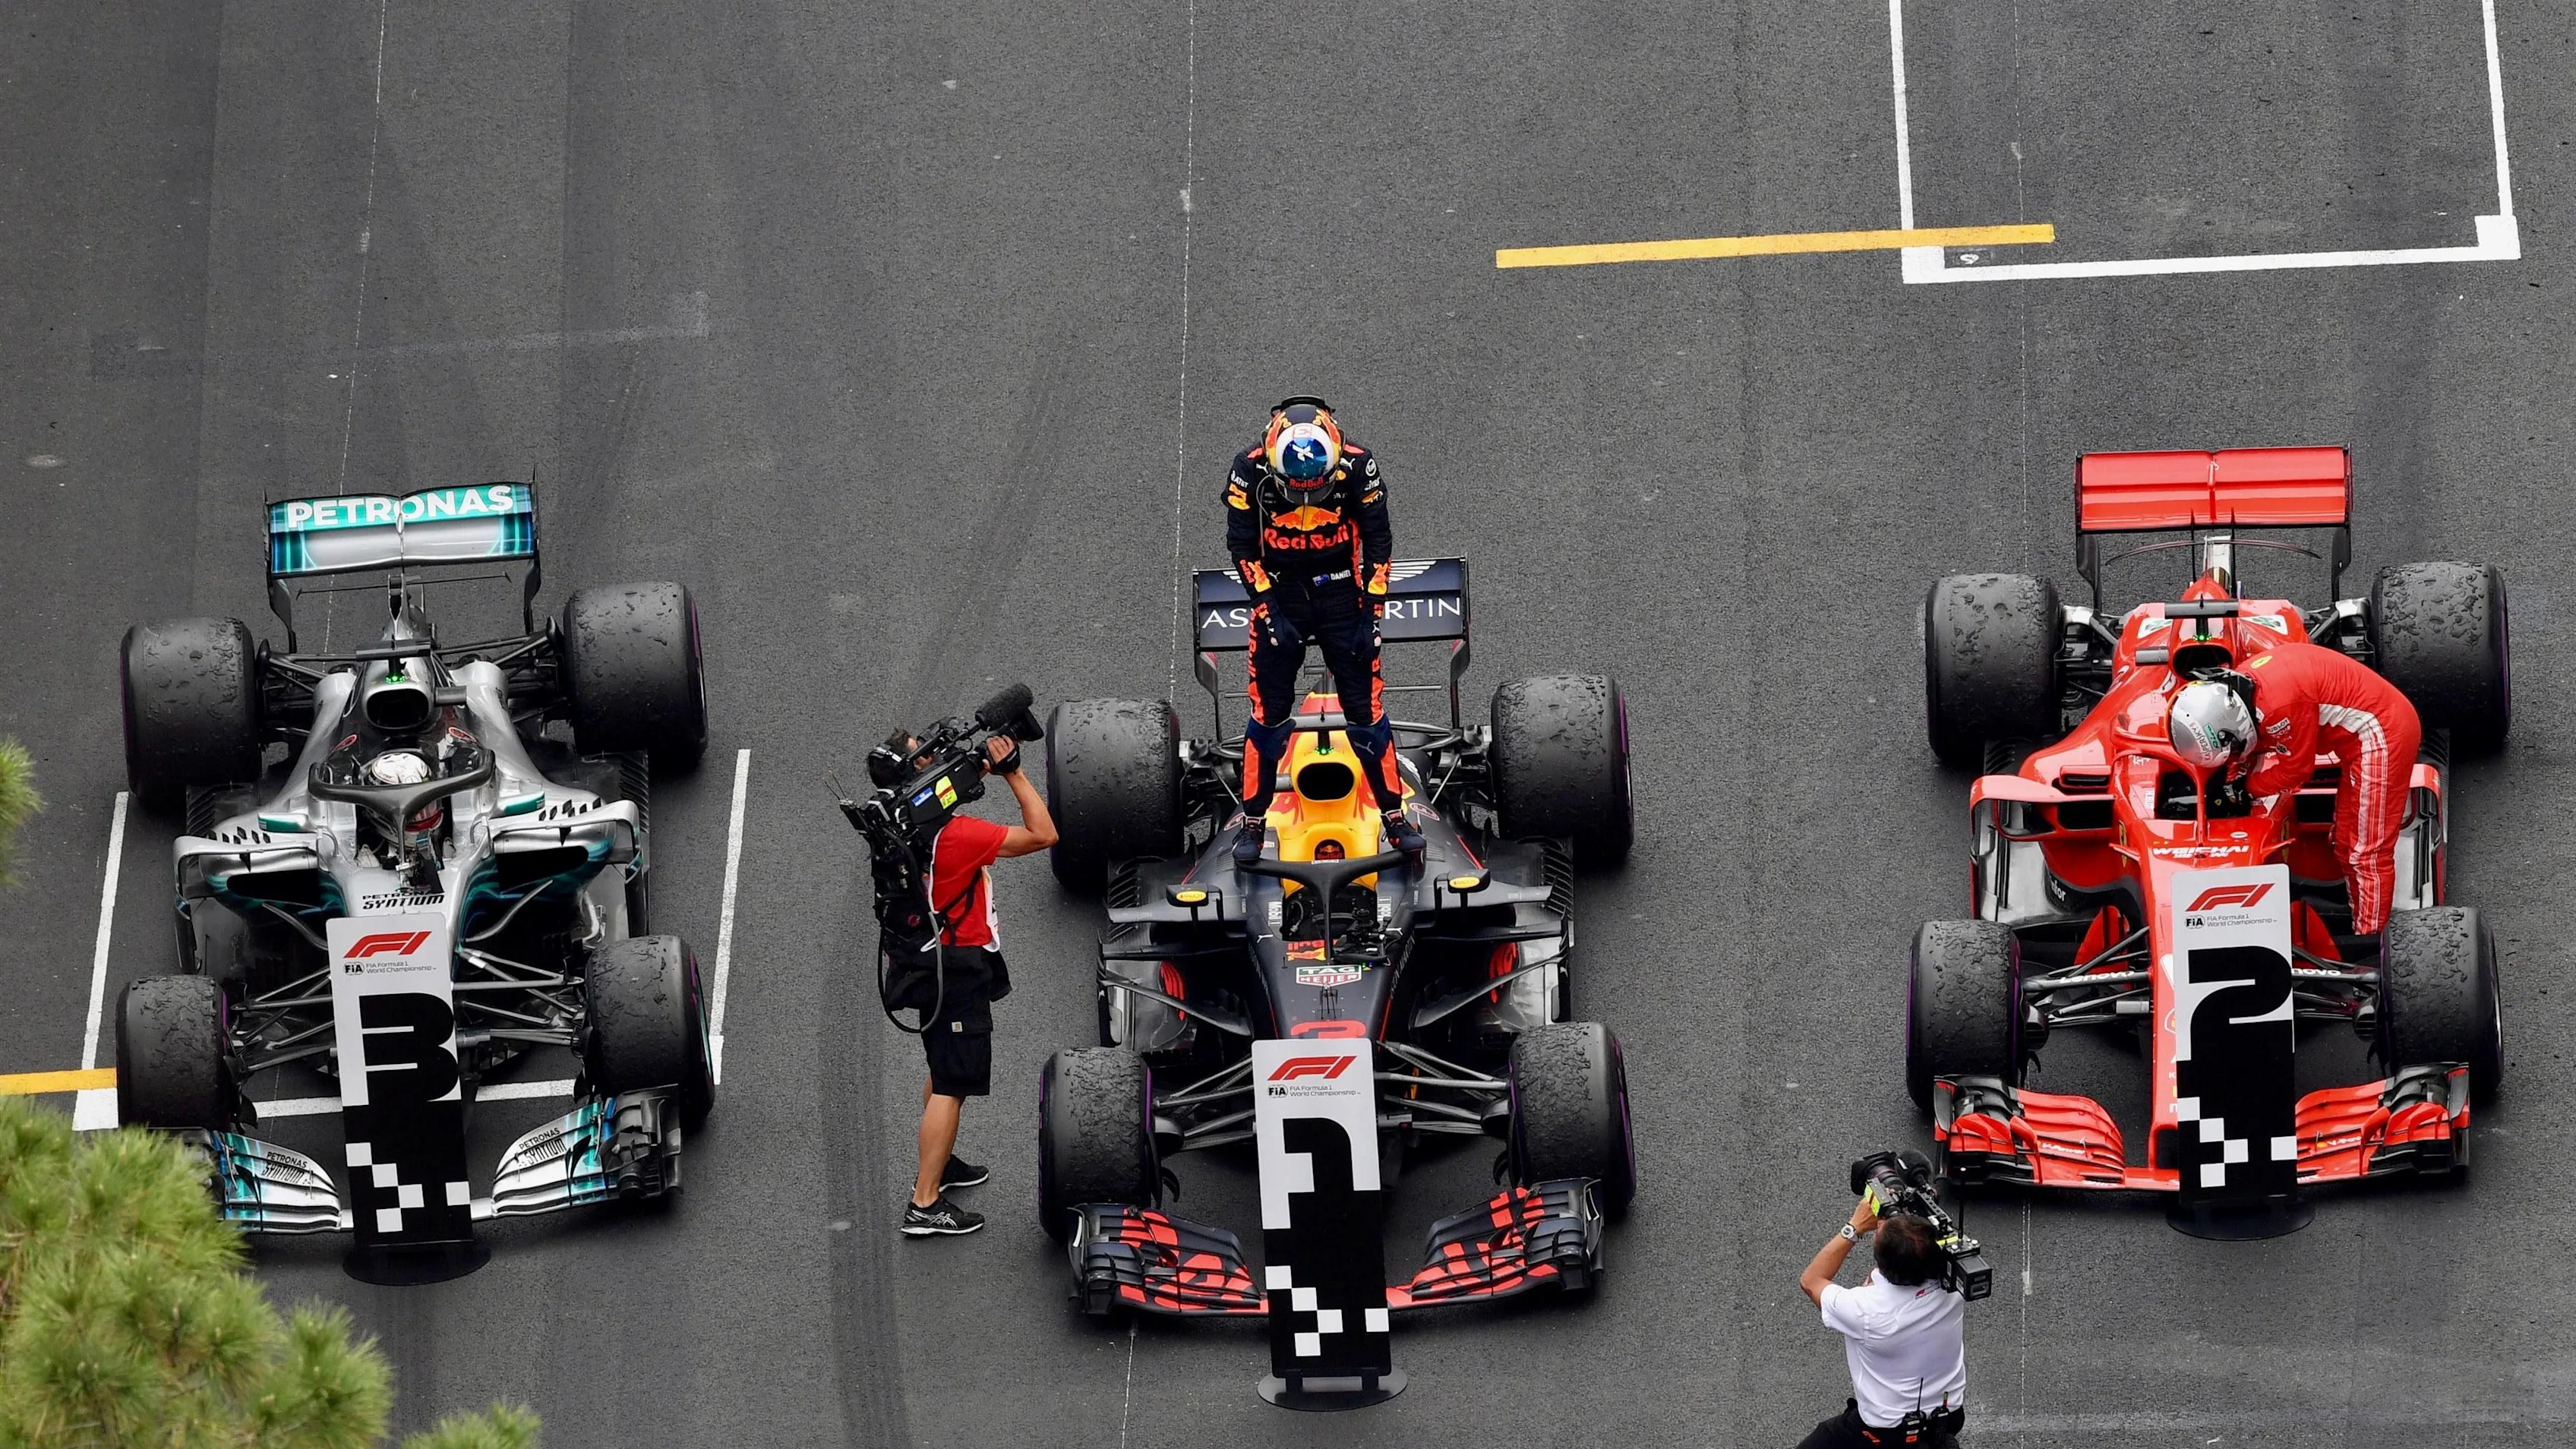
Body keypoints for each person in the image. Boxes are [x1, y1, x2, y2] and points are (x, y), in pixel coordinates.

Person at [1223, 396, 1425, 865]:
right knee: (1268, 713)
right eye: (1298, 489)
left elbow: (1379, 541)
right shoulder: (1248, 469)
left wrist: (1372, 616)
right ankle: (1254, 821)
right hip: (1281, 594)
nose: (1308, 498)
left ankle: (1394, 815)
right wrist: (1269, 612)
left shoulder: (1359, 465)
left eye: (1317, 488)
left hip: (1342, 595)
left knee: (1367, 711)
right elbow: (1241, 547)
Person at [875, 731, 1057, 1236]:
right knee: (953, 1085)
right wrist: (1014, 773)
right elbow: (1044, 834)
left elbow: (947, 787)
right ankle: (924, 1203)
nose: (938, 758)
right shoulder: (957, 838)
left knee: (941, 1065)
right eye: (928, 755)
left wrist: (976, 767)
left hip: (923, 962)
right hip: (956, 969)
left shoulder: (895, 824)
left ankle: (941, 1163)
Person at [2165, 639, 2423, 936]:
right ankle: (2359, 912)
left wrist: (2247, 790)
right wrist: (2231, 779)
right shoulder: (2237, 688)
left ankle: (2372, 940)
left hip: (2383, 734)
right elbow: (2247, 746)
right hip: (2357, 740)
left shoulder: (2281, 708)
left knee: (2365, 852)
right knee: (2342, 842)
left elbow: (2297, 771)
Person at [1796, 1195, 1968, 1447]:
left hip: (1886, 1432)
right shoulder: (1955, 1286)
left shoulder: (1865, 1311)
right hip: (1949, 1417)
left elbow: (1811, 1281)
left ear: (1882, 1262)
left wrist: (1854, 1227)